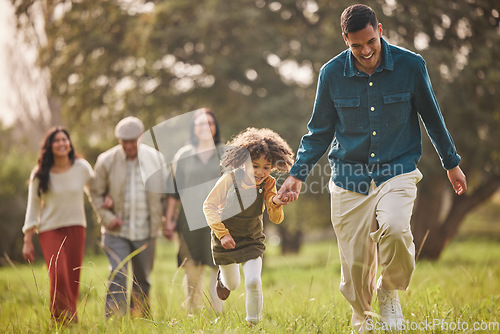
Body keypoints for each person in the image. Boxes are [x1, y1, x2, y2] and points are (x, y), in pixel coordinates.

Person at [278, 4, 467, 332]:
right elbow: (319, 132)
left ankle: (389, 289)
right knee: (355, 268)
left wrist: (451, 163)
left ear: (380, 30)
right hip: (348, 176)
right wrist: (297, 174)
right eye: (356, 45)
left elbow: (432, 117)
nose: (365, 51)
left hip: (398, 168)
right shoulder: (332, 74)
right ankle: (364, 318)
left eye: (370, 42)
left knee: (395, 229)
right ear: (345, 39)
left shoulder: (410, 66)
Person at [203, 127, 294, 325]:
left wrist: (277, 202)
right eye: (255, 165)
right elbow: (208, 206)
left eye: (266, 167)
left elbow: (276, 217)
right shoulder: (230, 179)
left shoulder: (268, 183)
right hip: (226, 240)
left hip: (252, 239)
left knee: (253, 281)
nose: (261, 172)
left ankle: (253, 324)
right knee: (233, 284)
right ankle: (223, 280)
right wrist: (223, 234)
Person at [91, 116, 165, 318]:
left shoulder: (156, 158)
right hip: (116, 231)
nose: (129, 146)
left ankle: (140, 320)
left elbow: (165, 194)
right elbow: (95, 193)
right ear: (119, 141)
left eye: (133, 141)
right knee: (118, 275)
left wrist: (167, 221)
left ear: (140, 137)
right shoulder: (106, 160)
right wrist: (107, 217)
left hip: (145, 230)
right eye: (125, 142)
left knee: (143, 279)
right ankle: (115, 322)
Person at [22, 127, 94, 324]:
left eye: (65, 140)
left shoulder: (82, 167)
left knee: (73, 275)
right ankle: (61, 319)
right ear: (50, 146)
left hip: (76, 228)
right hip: (49, 230)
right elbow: (33, 207)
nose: (62, 143)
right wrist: (28, 239)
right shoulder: (40, 173)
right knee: (58, 274)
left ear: (70, 144)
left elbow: (95, 191)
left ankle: (70, 318)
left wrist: (105, 205)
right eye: (57, 140)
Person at [163, 108, 224, 314]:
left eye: (210, 123)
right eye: (200, 124)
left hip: (219, 221)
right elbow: (174, 192)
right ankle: (193, 313)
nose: (205, 127)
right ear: (194, 129)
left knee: (218, 267)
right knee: (192, 270)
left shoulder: (225, 153)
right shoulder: (183, 155)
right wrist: (168, 221)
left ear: (216, 127)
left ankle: (217, 313)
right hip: (189, 222)